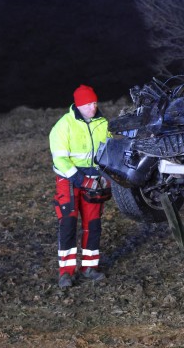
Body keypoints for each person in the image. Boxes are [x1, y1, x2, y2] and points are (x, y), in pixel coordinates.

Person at [49, 84, 110, 288]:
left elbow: (108, 152)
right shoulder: (62, 126)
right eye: (88, 104)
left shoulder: (102, 123)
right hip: (69, 180)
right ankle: (66, 273)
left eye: (94, 102)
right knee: (68, 223)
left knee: (93, 225)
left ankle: (89, 267)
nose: (93, 107)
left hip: (94, 180)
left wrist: (107, 176)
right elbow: (60, 160)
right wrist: (82, 180)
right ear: (79, 105)